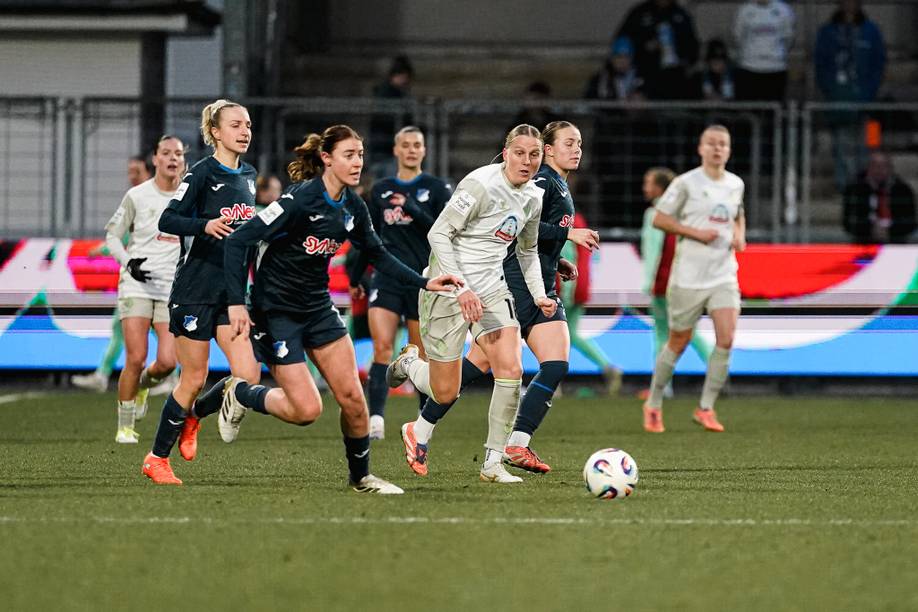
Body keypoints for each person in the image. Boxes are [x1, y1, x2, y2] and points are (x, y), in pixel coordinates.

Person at [220, 124, 461, 495]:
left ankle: (361, 478)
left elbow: (378, 253)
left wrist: (425, 281)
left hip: (318, 308)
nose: (357, 162)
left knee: (353, 399)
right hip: (277, 313)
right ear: (326, 158)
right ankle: (241, 393)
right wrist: (238, 301)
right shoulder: (299, 199)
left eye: (360, 155)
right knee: (306, 411)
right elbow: (239, 241)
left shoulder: (353, 206)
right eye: (349, 155)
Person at [387, 124, 559, 484]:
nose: (527, 161)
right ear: (505, 151)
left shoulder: (534, 196)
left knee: (511, 369)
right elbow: (438, 233)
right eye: (520, 153)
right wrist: (461, 288)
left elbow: (525, 251)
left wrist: (539, 293)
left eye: (535, 155)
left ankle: (492, 463)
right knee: (445, 390)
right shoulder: (480, 184)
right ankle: (411, 364)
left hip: (494, 290)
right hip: (448, 287)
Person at [141, 99, 278, 484]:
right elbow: (168, 219)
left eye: (248, 124)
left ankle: (194, 418)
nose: (245, 131)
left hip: (231, 294)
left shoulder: (249, 175)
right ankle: (156, 459)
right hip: (195, 290)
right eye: (236, 125)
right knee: (193, 377)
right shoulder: (201, 173)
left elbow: (247, 237)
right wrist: (205, 225)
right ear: (215, 132)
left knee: (247, 374)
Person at [642, 125, 746, 434]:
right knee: (678, 341)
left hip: (724, 274)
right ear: (701, 148)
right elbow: (660, 218)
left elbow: (738, 212)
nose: (717, 149)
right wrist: (696, 233)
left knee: (726, 339)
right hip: (688, 276)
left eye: (723, 144)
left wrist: (740, 235)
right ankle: (654, 402)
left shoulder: (735, 184)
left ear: (728, 150)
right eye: (711, 144)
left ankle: (706, 408)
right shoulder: (686, 183)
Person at [350, 126, 452, 440]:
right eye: (405, 145)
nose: (411, 150)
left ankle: (422, 424)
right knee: (382, 349)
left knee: (417, 355)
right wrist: (356, 276)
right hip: (386, 277)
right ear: (396, 150)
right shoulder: (380, 190)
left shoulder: (435, 189)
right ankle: (376, 419)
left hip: (424, 280)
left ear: (424, 150)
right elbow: (370, 237)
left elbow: (444, 231)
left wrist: (412, 208)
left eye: (416, 145)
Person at [104, 136, 185, 443]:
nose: (172, 158)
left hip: (170, 289)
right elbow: (112, 235)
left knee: (167, 362)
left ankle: (142, 387)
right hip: (136, 285)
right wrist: (128, 263)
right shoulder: (137, 195)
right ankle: (125, 426)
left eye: (178, 153)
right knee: (136, 357)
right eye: (166, 153)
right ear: (155, 159)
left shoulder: (188, 198)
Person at [72, 154, 152, 392]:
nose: (132, 176)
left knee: (159, 328)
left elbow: (130, 235)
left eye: (136, 171)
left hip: (151, 277)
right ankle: (103, 374)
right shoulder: (135, 198)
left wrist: (104, 248)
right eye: (130, 171)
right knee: (124, 327)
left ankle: (170, 374)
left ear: (149, 171)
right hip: (134, 278)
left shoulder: (150, 198)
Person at [638, 167, 712, 400]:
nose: (645, 187)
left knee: (661, 334)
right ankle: (718, 368)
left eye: (648, 182)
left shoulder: (655, 214)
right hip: (685, 280)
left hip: (663, 282)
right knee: (688, 331)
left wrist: (648, 281)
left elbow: (653, 252)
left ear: (659, 188)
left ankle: (661, 386)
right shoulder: (684, 212)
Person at [814, 0, 887, 191]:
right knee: (842, 145)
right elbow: (821, 66)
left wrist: (868, 94)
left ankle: (870, 186)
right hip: (839, 102)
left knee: (872, 143)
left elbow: (878, 65)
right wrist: (832, 91)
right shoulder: (828, 32)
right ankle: (846, 187)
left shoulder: (871, 31)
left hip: (869, 103)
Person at [559, 211, 622, 396]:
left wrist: (566, 292)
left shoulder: (562, 218)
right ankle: (607, 367)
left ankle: (552, 384)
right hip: (581, 283)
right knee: (570, 335)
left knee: (554, 335)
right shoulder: (579, 219)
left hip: (567, 284)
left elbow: (566, 255)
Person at [615, 0, 700, 100]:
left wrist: (684, 58)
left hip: (677, 75)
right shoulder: (639, 13)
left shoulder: (681, 15)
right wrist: (645, 46)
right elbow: (622, 41)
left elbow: (693, 47)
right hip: (646, 74)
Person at [843, 150, 917, 244]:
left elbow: (910, 222)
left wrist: (889, 231)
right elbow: (848, 222)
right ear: (869, 168)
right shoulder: (855, 190)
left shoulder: (903, 190)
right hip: (864, 241)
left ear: (890, 168)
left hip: (895, 241)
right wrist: (871, 230)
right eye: (875, 165)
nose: (879, 170)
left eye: (883, 166)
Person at [733, 0, 795, 101]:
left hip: (776, 68)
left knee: (773, 111)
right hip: (749, 67)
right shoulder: (744, 10)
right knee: (750, 112)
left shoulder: (784, 10)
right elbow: (738, 37)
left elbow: (788, 38)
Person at [369, 55, 414, 177]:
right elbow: (386, 120)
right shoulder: (387, 94)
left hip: (386, 148)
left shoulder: (392, 93)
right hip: (385, 148)